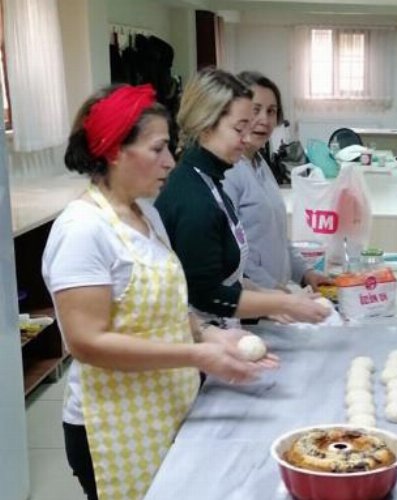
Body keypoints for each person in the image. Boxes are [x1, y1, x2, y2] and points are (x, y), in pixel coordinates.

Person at [42, 84, 279, 500]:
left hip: (163, 405)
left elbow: (163, 305)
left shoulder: (145, 213)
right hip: (111, 425)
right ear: (115, 150)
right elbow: (86, 342)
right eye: (158, 149)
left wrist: (208, 334)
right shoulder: (83, 230)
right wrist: (195, 354)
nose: (171, 161)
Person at [155, 68, 330, 327]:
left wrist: (274, 296)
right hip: (201, 339)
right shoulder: (192, 197)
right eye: (239, 129)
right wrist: (281, 302)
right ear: (206, 126)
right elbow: (205, 294)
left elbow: (229, 276)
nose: (247, 138)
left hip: (224, 330)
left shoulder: (211, 179)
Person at [223, 71, 329, 291]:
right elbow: (230, 253)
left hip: (277, 301)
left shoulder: (260, 163)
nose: (264, 120)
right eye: (255, 110)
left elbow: (279, 238)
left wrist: (306, 274)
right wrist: (275, 292)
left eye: (271, 111)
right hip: (253, 303)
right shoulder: (228, 172)